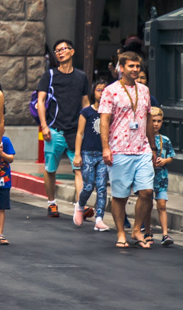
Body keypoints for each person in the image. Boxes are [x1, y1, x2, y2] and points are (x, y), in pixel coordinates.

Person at [100, 51, 157, 249]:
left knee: (147, 192)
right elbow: (104, 120)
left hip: (141, 148)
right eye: (130, 66)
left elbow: (149, 118)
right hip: (120, 149)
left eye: (137, 66)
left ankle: (137, 229)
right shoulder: (110, 91)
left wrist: (153, 146)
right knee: (120, 195)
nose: (134, 70)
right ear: (121, 68)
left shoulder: (144, 90)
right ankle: (121, 233)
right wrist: (106, 147)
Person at [35, 39, 91, 218]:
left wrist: (88, 126)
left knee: (78, 169)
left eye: (64, 49)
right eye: (57, 50)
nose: (60, 52)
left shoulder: (81, 76)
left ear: (72, 52)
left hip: (75, 131)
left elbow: (85, 102)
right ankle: (52, 202)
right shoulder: (49, 75)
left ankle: (80, 206)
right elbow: (40, 101)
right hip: (54, 130)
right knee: (51, 169)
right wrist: (44, 126)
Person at [73, 88, 110, 231]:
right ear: (93, 93)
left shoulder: (108, 113)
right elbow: (80, 133)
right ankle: (80, 205)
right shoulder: (86, 112)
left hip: (102, 154)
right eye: (99, 90)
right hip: (88, 152)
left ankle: (99, 219)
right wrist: (77, 154)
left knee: (101, 187)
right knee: (88, 186)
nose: (102, 93)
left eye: (104, 90)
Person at [151, 106, 175, 248]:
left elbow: (171, 156)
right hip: (147, 176)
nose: (156, 124)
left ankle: (165, 233)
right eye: (153, 121)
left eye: (159, 121)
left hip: (161, 177)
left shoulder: (164, 140)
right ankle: (146, 229)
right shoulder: (143, 139)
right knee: (146, 204)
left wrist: (165, 161)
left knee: (162, 204)